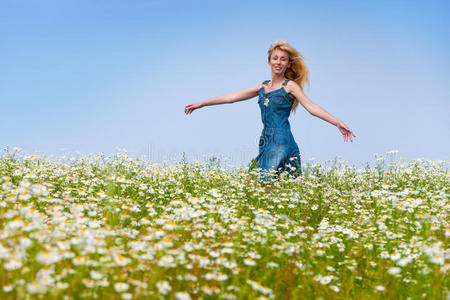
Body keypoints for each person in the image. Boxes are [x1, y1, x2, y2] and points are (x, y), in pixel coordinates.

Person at [184, 40, 356, 181]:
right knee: (270, 187)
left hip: (281, 141)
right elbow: (232, 97)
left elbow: (311, 107)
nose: (279, 62)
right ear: (269, 61)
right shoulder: (262, 86)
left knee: (257, 183)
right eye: (275, 58)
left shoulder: (290, 86)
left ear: (289, 64)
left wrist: (337, 122)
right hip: (266, 141)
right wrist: (203, 103)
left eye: (283, 59)